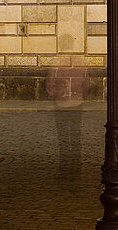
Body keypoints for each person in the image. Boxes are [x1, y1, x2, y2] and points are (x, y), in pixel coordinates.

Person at [46, 37, 89, 180]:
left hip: (61, 103)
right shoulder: (80, 60)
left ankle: (64, 168)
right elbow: (87, 82)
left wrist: (56, 93)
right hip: (77, 103)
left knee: (63, 136)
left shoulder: (56, 61)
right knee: (76, 134)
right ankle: (76, 167)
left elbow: (50, 86)